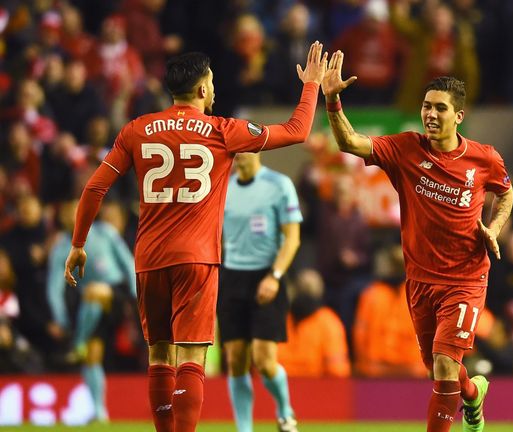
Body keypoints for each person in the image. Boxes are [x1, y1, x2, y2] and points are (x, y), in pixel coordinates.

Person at [64, 42, 327, 432]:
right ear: (203, 88)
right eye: (213, 81)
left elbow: (94, 189)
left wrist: (78, 244)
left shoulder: (136, 130)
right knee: (190, 358)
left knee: (159, 357)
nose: (215, 88)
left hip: (149, 259)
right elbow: (296, 131)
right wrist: (311, 86)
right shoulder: (222, 131)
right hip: (197, 258)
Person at [321, 51, 513, 432]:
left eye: (440, 108)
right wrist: (331, 100)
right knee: (439, 370)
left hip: (466, 278)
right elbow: (350, 143)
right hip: (421, 280)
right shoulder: (406, 148)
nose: (430, 114)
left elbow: (505, 194)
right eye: (426, 106)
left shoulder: (484, 158)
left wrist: (495, 228)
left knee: (444, 364)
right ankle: (473, 394)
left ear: (459, 116)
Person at [219, 152, 302, 432]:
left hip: (267, 274)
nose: (238, 154)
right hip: (231, 276)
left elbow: (293, 237)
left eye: (244, 147)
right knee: (235, 359)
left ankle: (284, 409)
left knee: (264, 360)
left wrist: (275, 276)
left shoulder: (279, 185)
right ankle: (244, 429)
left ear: (257, 149)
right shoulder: (222, 187)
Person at [48, 199, 137, 423]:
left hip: (119, 294)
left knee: (95, 291)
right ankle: (99, 412)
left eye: (76, 210)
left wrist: (139, 299)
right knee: (92, 356)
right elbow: (54, 289)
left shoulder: (105, 232)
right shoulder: (61, 248)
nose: (71, 216)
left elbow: (128, 263)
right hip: (91, 308)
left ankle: (78, 342)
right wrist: (60, 318)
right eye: (67, 213)